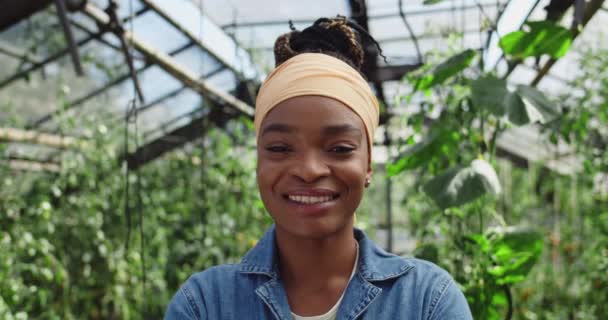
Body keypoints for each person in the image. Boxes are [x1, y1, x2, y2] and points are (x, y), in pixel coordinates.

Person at [165, 16, 472, 320]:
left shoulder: (427, 302)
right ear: (259, 159)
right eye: (280, 148)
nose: (309, 170)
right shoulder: (204, 305)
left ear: (368, 164)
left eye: (339, 149)